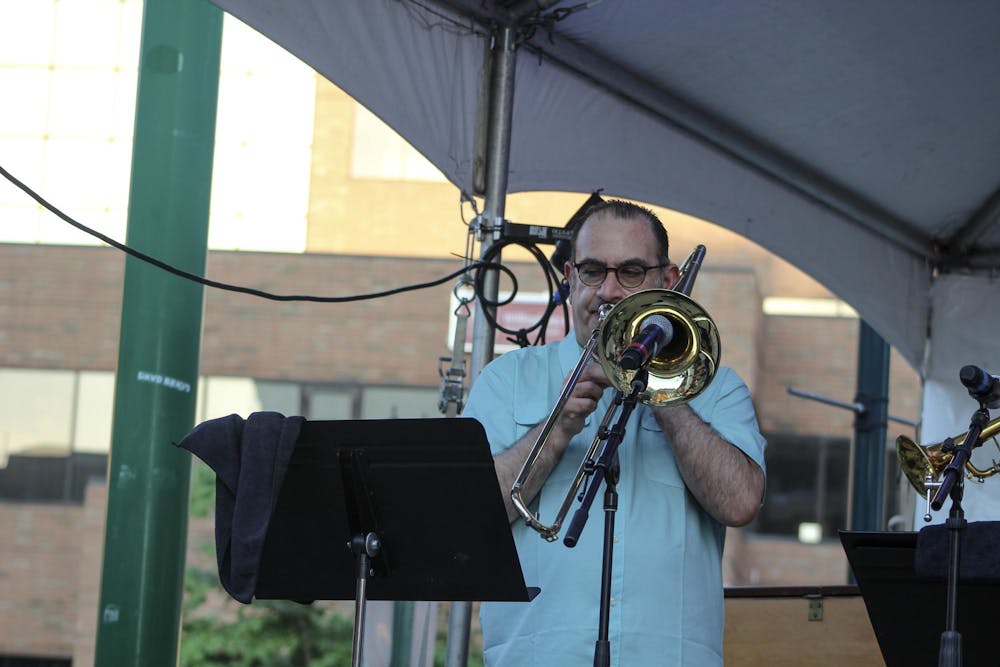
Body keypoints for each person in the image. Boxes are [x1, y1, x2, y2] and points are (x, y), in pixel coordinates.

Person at [461, 199, 767, 666]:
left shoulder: (717, 388)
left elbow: (741, 502)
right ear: (569, 277)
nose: (607, 291)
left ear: (667, 282)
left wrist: (664, 391)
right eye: (591, 271)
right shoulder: (507, 380)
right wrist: (558, 425)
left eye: (630, 272)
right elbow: (468, 515)